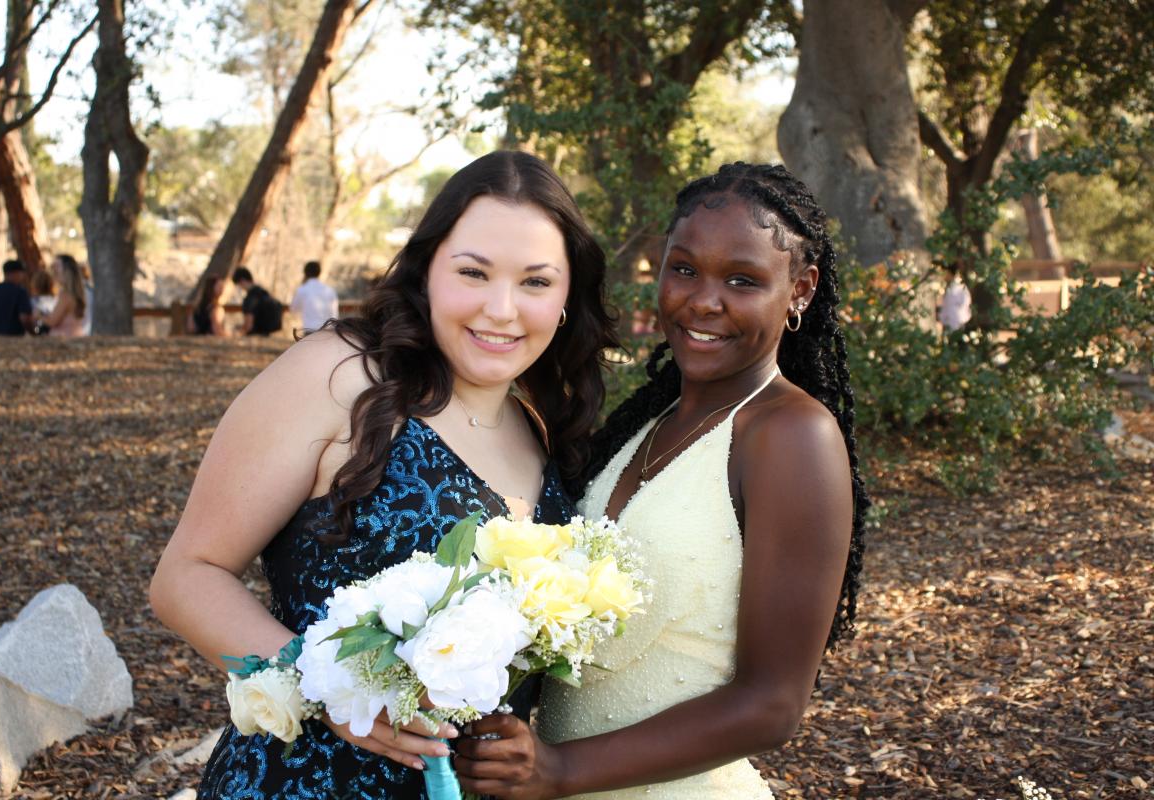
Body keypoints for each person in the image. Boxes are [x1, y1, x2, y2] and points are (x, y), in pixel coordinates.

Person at [149, 150, 619, 799]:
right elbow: (185, 577)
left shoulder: (541, 428)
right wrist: (324, 685)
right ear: (427, 273)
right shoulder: (340, 376)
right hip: (304, 783)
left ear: (567, 297)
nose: (501, 308)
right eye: (473, 273)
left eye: (536, 282)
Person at [453, 163, 870, 800]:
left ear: (800, 290)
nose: (703, 301)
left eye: (742, 280)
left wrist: (561, 770)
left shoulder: (791, 436)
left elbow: (773, 705)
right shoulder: (647, 424)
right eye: (684, 269)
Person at [38, 254, 90, 337]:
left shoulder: (66, 294)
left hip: (64, 339)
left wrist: (38, 315)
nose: (53, 270)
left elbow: (52, 321)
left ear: (67, 271)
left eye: (57, 266)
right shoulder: (79, 292)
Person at [0, 260, 34, 336]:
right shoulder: (20, 292)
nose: (22, 276)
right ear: (14, 273)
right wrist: (33, 332)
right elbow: (24, 318)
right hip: (14, 336)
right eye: (21, 273)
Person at [290, 260, 339, 333]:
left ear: (305, 273)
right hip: (328, 331)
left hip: (310, 331)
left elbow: (294, 309)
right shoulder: (329, 290)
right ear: (319, 273)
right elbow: (334, 313)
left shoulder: (302, 290)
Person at [232, 266, 283, 336]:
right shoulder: (263, 292)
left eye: (238, 284)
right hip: (268, 334)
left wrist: (237, 332)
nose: (239, 287)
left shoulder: (250, 298)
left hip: (255, 336)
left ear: (242, 281)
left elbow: (249, 326)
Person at [939, 263, 971, 333]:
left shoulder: (960, 287)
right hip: (948, 324)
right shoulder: (948, 287)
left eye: (944, 273)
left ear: (949, 273)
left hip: (957, 323)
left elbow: (965, 304)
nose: (943, 276)